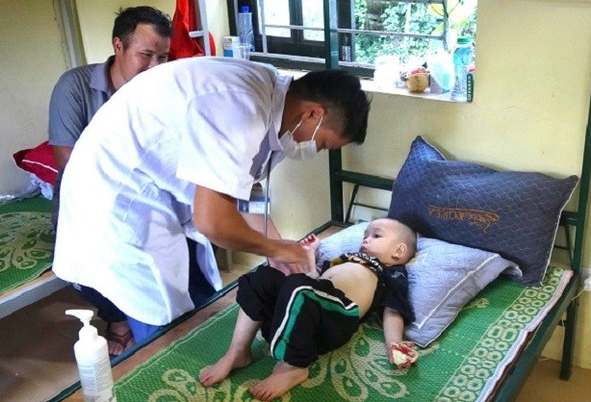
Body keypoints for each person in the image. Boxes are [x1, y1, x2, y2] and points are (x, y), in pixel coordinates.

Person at [52, 57, 371, 354]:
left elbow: (249, 188)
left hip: (158, 197)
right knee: (165, 325)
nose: (315, 150)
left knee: (200, 307)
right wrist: (278, 250)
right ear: (313, 113)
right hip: (115, 203)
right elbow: (213, 222)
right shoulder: (241, 107)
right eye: (324, 143)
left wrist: (276, 243)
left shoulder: (275, 101)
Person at [47, 5, 172, 356]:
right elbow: (69, 166)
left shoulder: (159, 91)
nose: (155, 67)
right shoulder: (74, 87)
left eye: (162, 57)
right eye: (146, 55)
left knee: (182, 239)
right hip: (86, 204)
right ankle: (117, 319)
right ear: (118, 46)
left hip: (144, 199)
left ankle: (169, 322)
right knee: (112, 250)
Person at [198, 217, 419, 401]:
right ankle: (238, 351)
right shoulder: (342, 259)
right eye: (365, 236)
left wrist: (394, 343)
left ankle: (293, 366)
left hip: (337, 316)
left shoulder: (392, 272)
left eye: (376, 236)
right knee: (262, 277)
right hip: (302, 313)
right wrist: (310, 255)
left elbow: (393, 310)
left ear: (399, 251)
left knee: (298, 287)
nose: (366, 240)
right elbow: (313, 278)